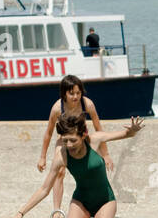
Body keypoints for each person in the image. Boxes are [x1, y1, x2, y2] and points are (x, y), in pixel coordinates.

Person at [3, 112, 144, 218]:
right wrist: (20, 213)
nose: (69, 145)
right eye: (65, 140)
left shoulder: (95, 140)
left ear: (83, 135)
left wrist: (133, 130)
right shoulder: (62, 156)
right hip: (81, 200)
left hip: (105, 200)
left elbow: (126, 134)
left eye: (73, 140)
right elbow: (44, 189)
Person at [37, 75, 113, 207]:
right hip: (64, 140)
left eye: (78, 93)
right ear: (64, 93)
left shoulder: (87, 104)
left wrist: (106, 155)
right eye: (71, 93)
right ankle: (57, 211)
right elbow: (48, 133)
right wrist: (42, 157)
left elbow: (98, 128)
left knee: (95, 166)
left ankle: (98, 203)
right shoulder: (57, 108)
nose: (75, 97)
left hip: (83, 137)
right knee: (59, 171)